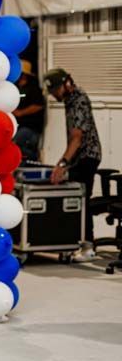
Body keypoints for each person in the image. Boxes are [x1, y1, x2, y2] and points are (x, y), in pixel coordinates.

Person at [44, 67, 102, 262]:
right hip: (80, 156)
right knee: (78, 197)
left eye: (55, 90)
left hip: (88, 155)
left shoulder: (78, 99)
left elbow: (77, 137)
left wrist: (62, 163)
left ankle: (88, 246)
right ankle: (75, 241)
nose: (54, 95)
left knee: (82, 198)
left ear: (66, 84)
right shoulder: (70, 100)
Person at [12, 60, 45, 162]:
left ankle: (34, 157)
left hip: (30, 128)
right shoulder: (15, 87)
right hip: (18, 126)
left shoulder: (33, 88)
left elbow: (39, 106)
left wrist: (21, 113)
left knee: (15, 142)